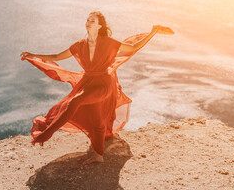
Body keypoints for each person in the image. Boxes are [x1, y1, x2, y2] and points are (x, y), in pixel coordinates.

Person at [20, 11, 173, 164]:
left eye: (92, 21)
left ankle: (45, 134)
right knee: (97, 120)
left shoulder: (108, 42)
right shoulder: (80, 45)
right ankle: (98, 155)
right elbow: (56, 57)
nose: (88, 22)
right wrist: (34, 55)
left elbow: (133, 48)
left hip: (103, 84)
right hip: (88, 83)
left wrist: (153, 31)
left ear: (99, 26)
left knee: (74, 102)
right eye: (88, 20)